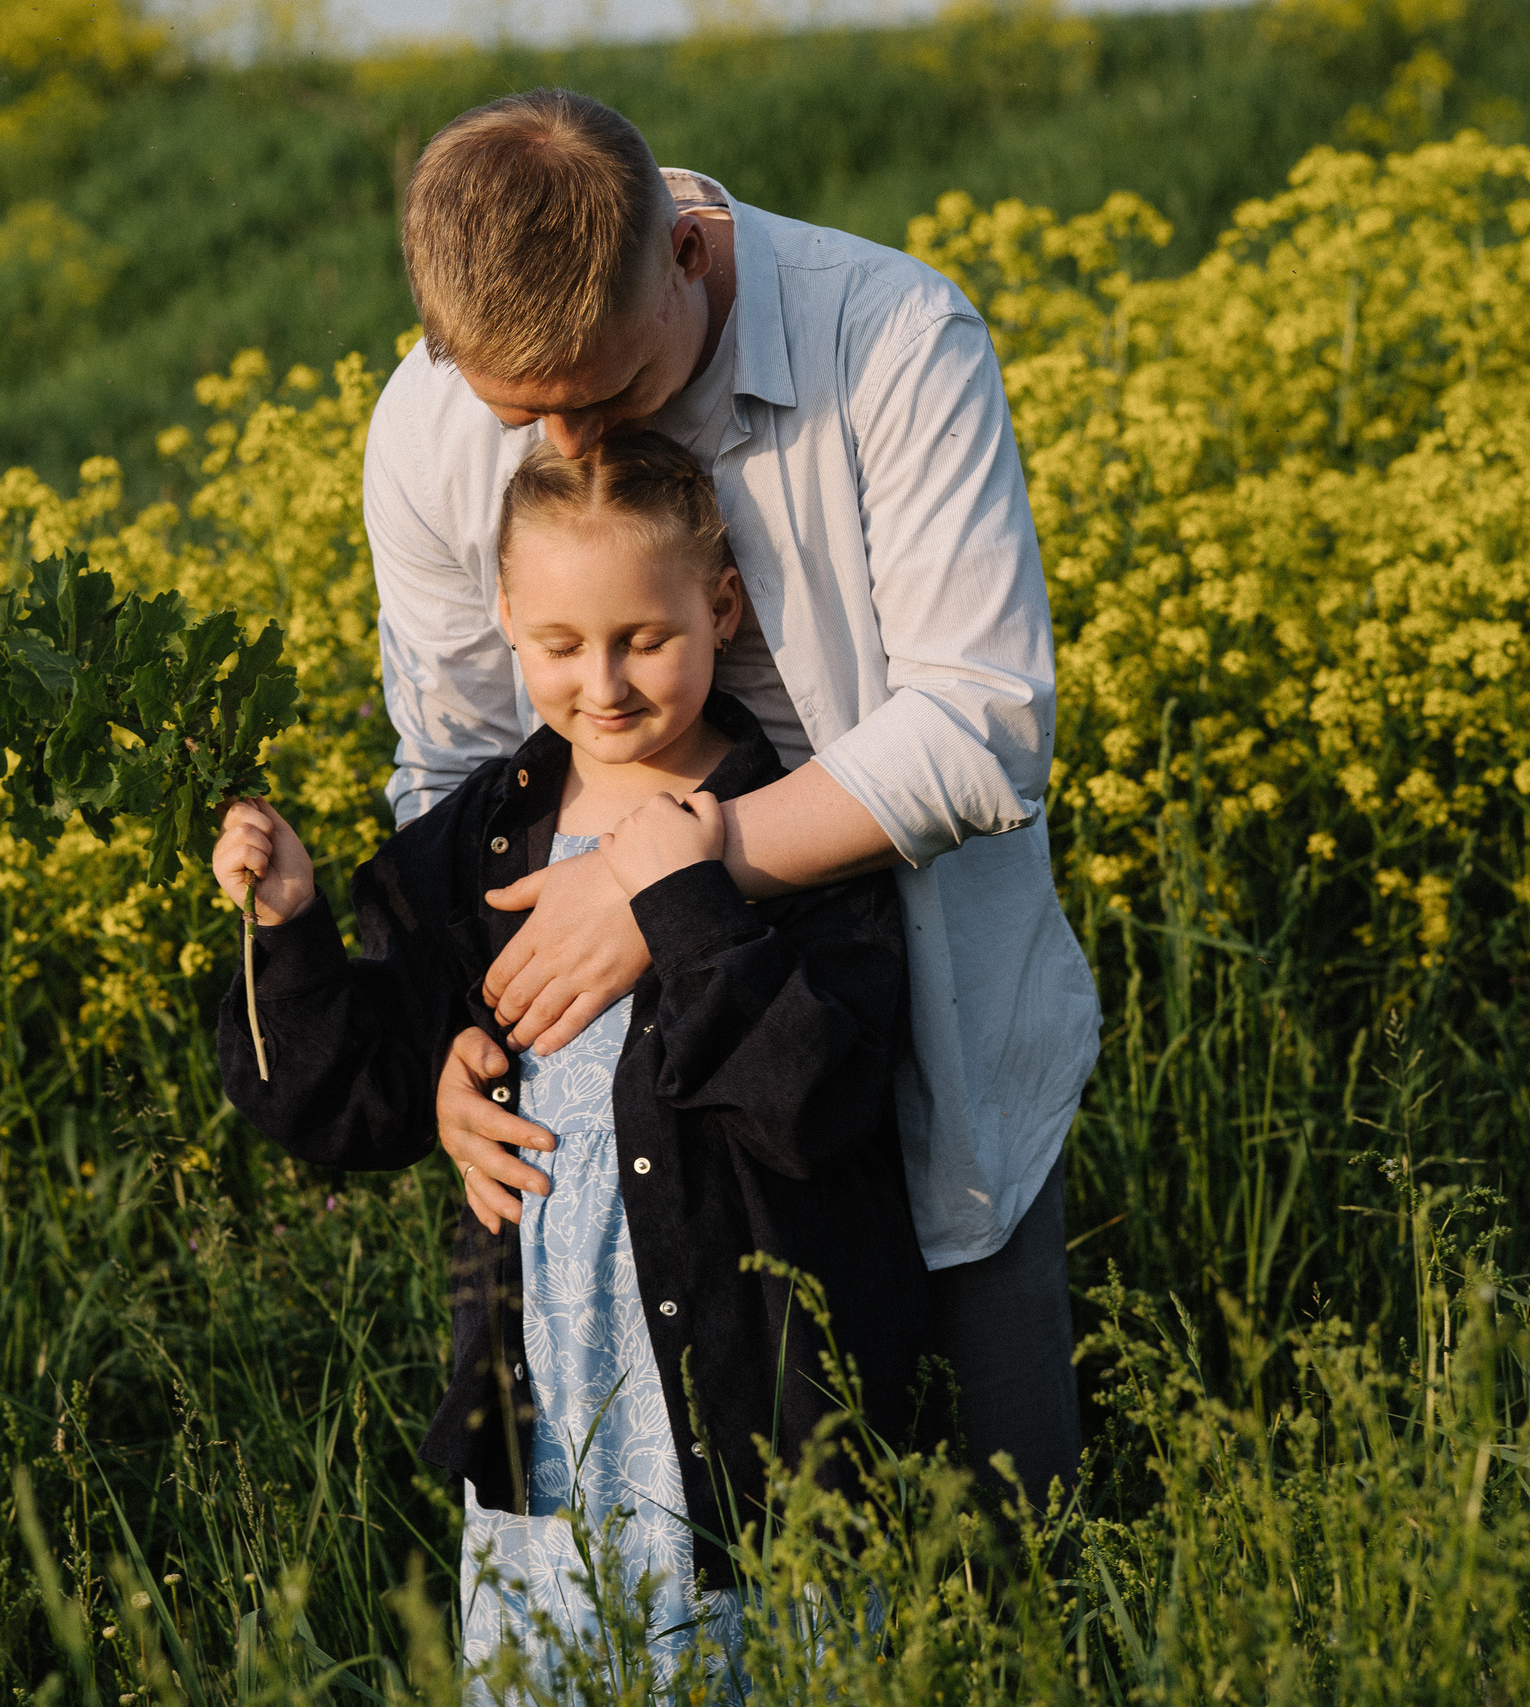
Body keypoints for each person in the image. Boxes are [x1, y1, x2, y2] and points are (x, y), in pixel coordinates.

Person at [367, 89, 1098, 1496]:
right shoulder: (422, 430)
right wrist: (454, 1022)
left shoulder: (886, 338)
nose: (570, 446)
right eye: (523, 411)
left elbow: (983, 722)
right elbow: (454, 767)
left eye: (610, 396)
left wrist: (667, 886)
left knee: (1001, 1519)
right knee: (691, 1541)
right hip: (625, 1111)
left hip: (931, 1028)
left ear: (689, 259)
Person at [212, 431, 929, 1683]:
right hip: (546, 1436)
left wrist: (687, 906)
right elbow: (348, 1103)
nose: (602, 683)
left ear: (720, 606)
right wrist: (290, 932)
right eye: (557, 645)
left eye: (643, 638)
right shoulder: (483, 840)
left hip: (749, 1431)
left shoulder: (801, 832)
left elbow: (819, 1106)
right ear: (503, 618)